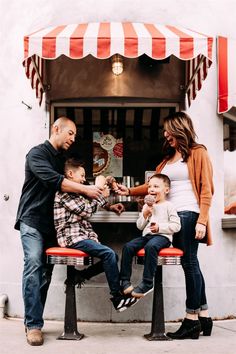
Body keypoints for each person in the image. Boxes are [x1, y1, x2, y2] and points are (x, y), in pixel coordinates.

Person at [118, 111, 214, 340]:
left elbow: (207, 190)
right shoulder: (168, 160)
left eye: (167, 130)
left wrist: (202, 220)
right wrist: (129, 191)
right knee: (192, 264)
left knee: (189, 263)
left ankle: (191, 320)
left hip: (189, 215)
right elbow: (153, 185)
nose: (165, 135)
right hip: (171, 215)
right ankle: (204, 316)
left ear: (179, 128)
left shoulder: (198, 153)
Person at [14, 117, 102, 346]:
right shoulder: (37, 154)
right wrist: (87, 189)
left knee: (44, 275)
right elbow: (56, 181)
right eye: (70, 133)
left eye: (75, 135)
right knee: (33, 263)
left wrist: (108, 203)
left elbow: (74, 193)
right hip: (32, 221)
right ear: (56, 129)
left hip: (54, 228)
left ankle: (33, 320)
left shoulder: (63, 160)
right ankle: (33, 325)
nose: (73, 138)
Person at [54, 158, 135, 313]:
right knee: (108, 254)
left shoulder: (77, 191)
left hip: (81, 236)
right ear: (70, 174)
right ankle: (117, 298)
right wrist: (102, 196)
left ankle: (81, 275)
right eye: (82, 175)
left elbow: (90, 196)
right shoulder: (64, 193)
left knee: (112, 257)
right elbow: (87, 210)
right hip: (71, 237)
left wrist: (109, 206)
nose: (84, 179)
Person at [120, 173, 181, 298]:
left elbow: (176, 226)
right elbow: (140, 226)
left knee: (151, 247)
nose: (151, 189)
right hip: (147, 236)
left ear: (166, 190)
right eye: (149, 187)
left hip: (163, 237)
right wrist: (145, 214)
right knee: (128, 246)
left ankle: (147, 283)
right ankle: (125, 281)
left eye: (156, 186)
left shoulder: (169, 206)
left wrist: (160, 227)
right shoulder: (146, 207)